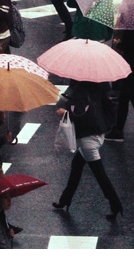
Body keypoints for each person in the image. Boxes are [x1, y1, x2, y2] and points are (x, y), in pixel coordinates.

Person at [52, 80, 123, 219]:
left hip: (87, 138)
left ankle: (116, 205)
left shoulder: (80, 91)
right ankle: (65, 199)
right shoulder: (98, 85)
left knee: (100, 175)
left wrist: (64, 113)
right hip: (99, 132)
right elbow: (107, 106)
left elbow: (79, 114)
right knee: (76, 166)